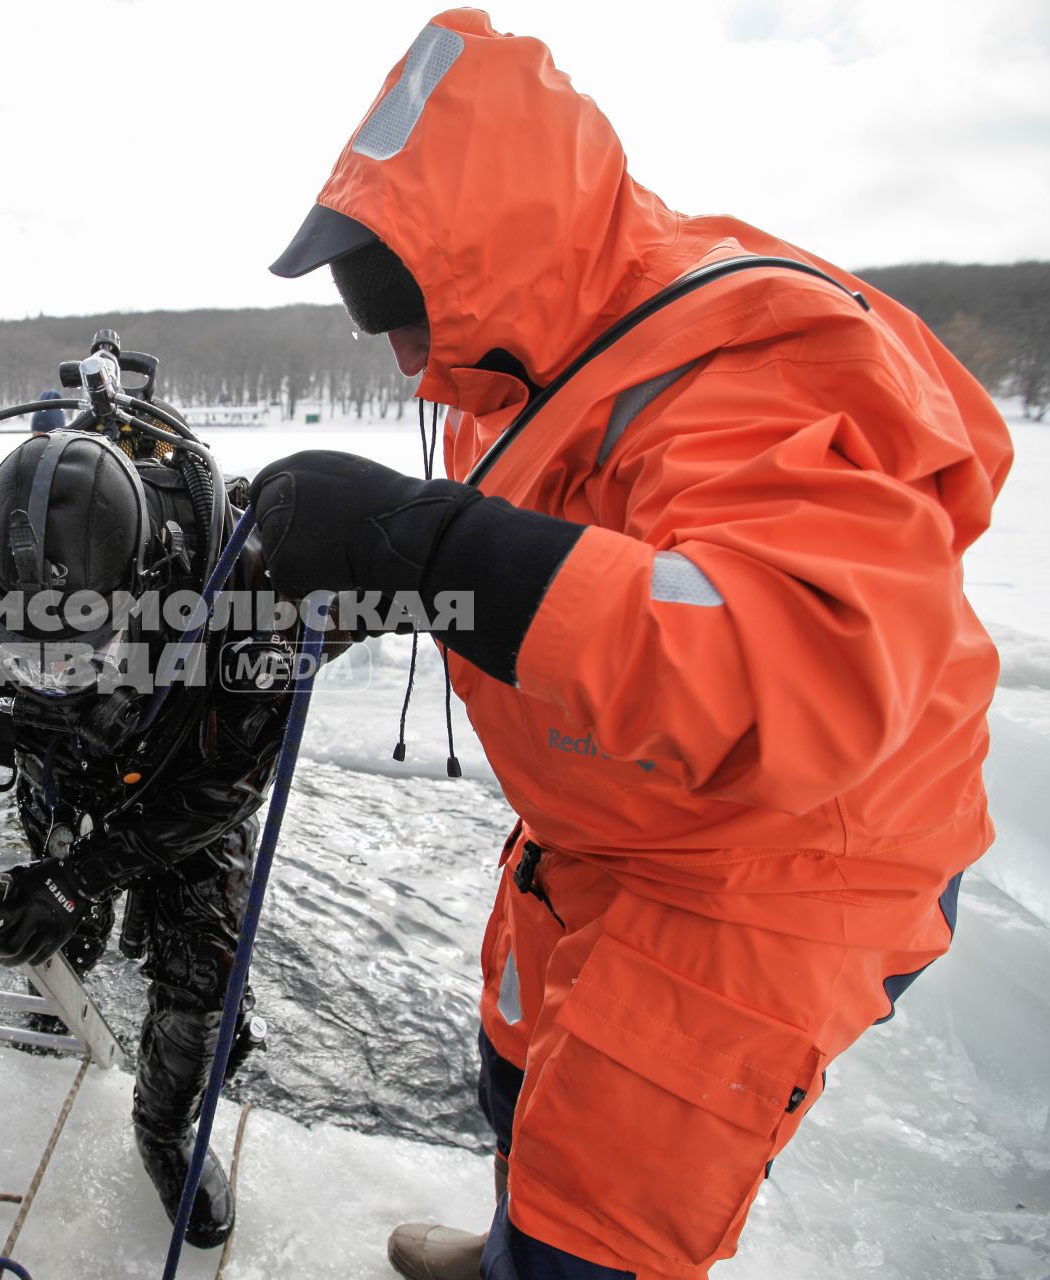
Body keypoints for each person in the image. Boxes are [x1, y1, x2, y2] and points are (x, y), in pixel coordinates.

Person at [257, 11, 1011, 1280]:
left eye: (404, 321)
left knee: (597, 1231)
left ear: (494, 263)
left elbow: (790, 660)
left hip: (768, 868)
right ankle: (506, 1235)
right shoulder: (515, 369)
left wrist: (420, 544)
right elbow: (550, 559)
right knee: (520, 1073)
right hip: (615, 816)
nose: (400, 362)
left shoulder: (747, 351)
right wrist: (349, 590)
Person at [0, 427, 323, 1248]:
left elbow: (232, 783)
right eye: (22, 657)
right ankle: (67, 1003)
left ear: (145, 585)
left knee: (204, 978)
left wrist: (85, 874)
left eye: (77, 654)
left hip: (184, 788)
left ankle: (164, 1131)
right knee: (59, 927)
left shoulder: (244, 585)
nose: (49, 676)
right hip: (58, 778)